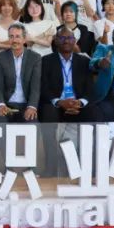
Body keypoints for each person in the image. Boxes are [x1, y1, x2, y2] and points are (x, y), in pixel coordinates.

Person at [39, 27, 98, 175]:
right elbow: (43, 88)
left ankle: (89, 167)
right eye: (62, 38)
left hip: (78, 105)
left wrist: (80, 102)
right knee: (47, 112)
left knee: (94, 112)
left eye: (70, 38)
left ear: (75, 41)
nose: (66, 41)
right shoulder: (46, 61)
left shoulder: (84, 61)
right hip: (56, 105)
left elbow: (90, 89)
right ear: (56, 41)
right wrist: (59, 102)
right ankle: (51, 167)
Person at [0, 23, 41, 123]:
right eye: (11, 36)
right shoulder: (0, 58)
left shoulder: (35, 58)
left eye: (18, 36)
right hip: (7, 105)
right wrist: (1, 105)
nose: (14, 40)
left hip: (26, 105)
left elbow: (35, 87)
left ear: (24, 39)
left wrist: (31, 107)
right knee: (0, 124)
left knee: (33, 126)